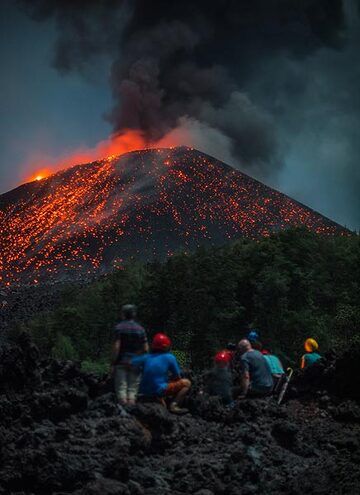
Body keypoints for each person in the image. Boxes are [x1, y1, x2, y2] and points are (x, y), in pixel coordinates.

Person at [132, 333, 191, 414]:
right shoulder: (169, 357)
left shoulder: (145, 357)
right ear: (166, 346)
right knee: (186, 383)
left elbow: (131, 363)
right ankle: (174, 405)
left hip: (142, 391)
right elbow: (177, 377)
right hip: (158, 390)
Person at [111, 304, 148, 405]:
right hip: (136, 363)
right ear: (134, 315)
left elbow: (117, 347)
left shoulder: (118, 328)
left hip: (121, 361)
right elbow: (145, 349)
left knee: (121, 389)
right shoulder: (141, 329)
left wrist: (113, 362)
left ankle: (122, 415)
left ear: (123, 314)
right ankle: (131, 414)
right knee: (132, 391)